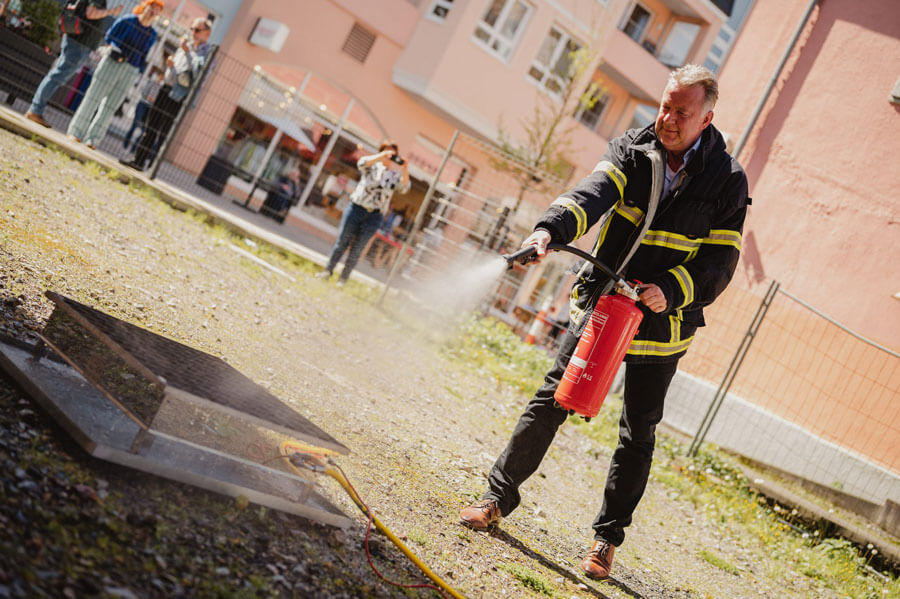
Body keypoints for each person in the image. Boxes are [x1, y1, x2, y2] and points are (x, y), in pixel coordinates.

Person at [458, 64, 749, 580]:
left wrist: (673, 291)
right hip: (605, 304)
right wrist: (549, 231)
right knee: (551, 401)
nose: (667, 118)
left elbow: (720, 265)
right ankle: (495, 498)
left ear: (707, 117)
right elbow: (591, 195)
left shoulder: (727, 181)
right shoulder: (632, 151)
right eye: (664, 105)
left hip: (662, 325)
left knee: (638, 433)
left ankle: (604, 541)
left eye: (681, 112)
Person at [66, 0, 162, 149]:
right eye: (152, 7)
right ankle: (76, 132)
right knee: (93, 97)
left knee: (110, 107)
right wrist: (117, 50)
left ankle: (93, 139)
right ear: (145, 7)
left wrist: (137, 70)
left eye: (157, 11)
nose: (153, 12)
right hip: (112, 62)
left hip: (131, 70)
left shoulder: (153, 34)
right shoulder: (128, 20)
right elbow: (109, 37)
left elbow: (144, 54)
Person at [120, 17, 212, 171]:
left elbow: (198, 74)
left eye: (197, 30)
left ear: (207, 34)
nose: (193, 33)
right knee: (151, 127)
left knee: (164, 133)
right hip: (165, 88)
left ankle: (153, 168)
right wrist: (170, 66)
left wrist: (188, 54)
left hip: (179, 97)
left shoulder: (207, 53)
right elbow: (176, 69)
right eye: (192, 29)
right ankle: (138, 161)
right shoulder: (185, 45)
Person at [317, 141, 410, 285]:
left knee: (358, 248)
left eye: (392, 154)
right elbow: (361, 162)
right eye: (387, 152)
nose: (389, 156)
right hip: (356, 208)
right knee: (342, 241)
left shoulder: (394, 175)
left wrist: (405, 168)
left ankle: (343, 279)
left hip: (375, 215)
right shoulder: (372, 166)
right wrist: (381, 156)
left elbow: (404, 187)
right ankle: (328, 270)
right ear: (381, 151)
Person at [24, 0, 123, 128]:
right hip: (79, 43)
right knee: (57, 75)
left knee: (58, 75)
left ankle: (36, 110)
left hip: (78, 41)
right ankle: (35, 110)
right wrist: (112, 11)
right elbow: (91, 13)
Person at [122, 65, 163, 151]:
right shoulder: (151, 82)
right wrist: (148, 97)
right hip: (143, 104)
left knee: (144, 130)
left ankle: (134, 148)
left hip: (150, 108)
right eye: (161, 76)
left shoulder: (161, 88)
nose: (161, 78)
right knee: (135, 125)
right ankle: (125, 144)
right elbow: (143, 91)